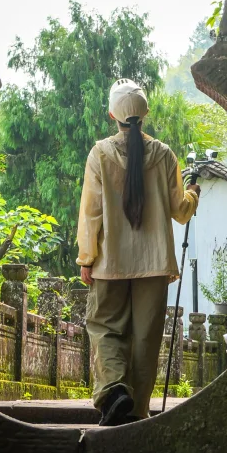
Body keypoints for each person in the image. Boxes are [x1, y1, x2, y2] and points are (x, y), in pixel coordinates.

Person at [77, 79, 200, 426]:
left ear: (112, 114)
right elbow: (180, 210)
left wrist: (87, 257)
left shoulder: (99, 154)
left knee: (104, 327)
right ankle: (134, 412)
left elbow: (91, 212)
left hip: (108, 261)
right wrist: (193, 193)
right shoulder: (164, 155)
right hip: (154, 264)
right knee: (145, 338)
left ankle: (114, 390)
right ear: (145, 114)